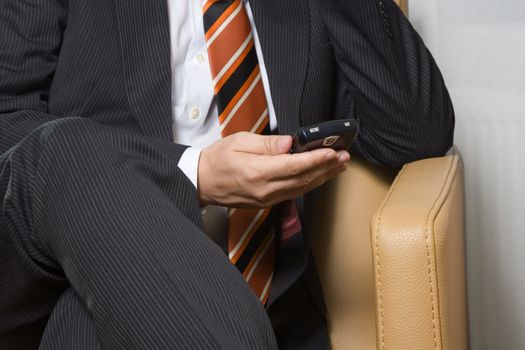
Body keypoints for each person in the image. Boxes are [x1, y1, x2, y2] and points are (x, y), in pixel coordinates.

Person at [0, 0, 454, 348]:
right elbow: (8, 123)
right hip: (64, 258)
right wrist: (194, 174)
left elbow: (414, 133)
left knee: (85, 326)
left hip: (251, 306)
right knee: (68, 148)